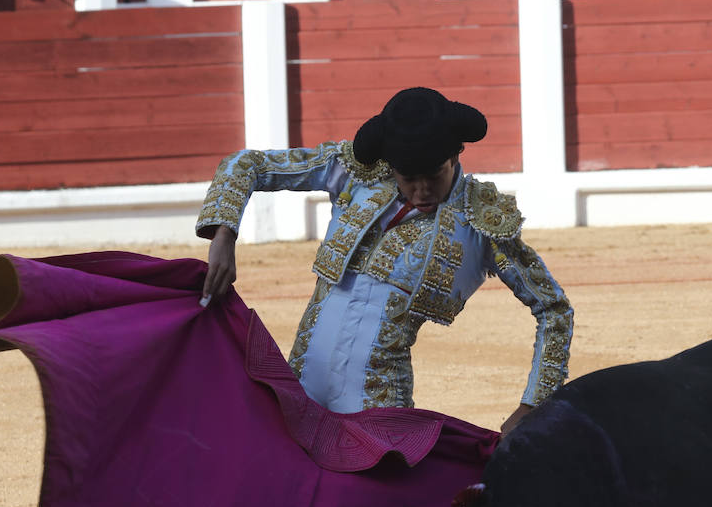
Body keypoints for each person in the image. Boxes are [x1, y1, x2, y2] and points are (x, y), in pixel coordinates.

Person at [196, 87, 572, 434]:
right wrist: (224, 234)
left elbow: (554, 309)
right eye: (408, 177)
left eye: (434, 175)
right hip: (300, 393)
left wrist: (532, 406)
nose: (422, 190)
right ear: (390, 164)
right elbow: (246, 164)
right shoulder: (356, 174)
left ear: (457, 154)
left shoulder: (482, 222)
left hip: (378, 410)